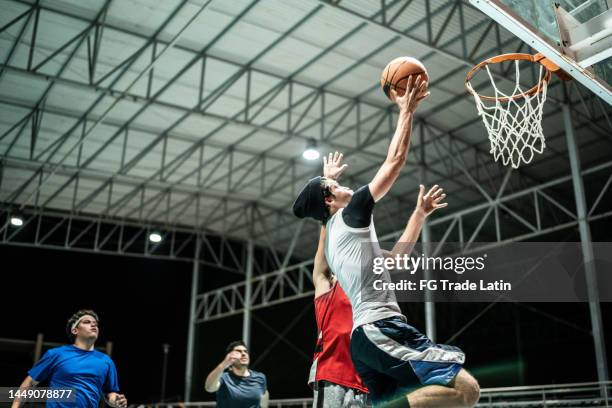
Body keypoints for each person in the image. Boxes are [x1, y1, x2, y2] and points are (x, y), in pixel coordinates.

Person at [293, 76, 480, 408]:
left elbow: (394, 260)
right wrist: (406, 111)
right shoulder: (350, 216)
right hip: (380, 329)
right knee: (466, 389)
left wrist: (418, 216)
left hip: (366, 340)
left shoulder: (341, 237)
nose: (342, 182)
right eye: (333, 184)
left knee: (456, 394)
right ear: (327, 199)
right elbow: (394, 162)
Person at [12, 309, 127, 408]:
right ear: (75, 330)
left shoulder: (106, 361)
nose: (93, 325)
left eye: (95, 323)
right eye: (87, 322)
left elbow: (109, 393)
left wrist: (115, 400)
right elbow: (30, 382)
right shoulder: (56, 354)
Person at [205, 340, 269, 408]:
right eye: (238, 351)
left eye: (246, 351)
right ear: (229, 356)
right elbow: (209, 388)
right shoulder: (223, 378)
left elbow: (264, 398)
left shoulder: (260, 377)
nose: (244, 354)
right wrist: (224, 364)